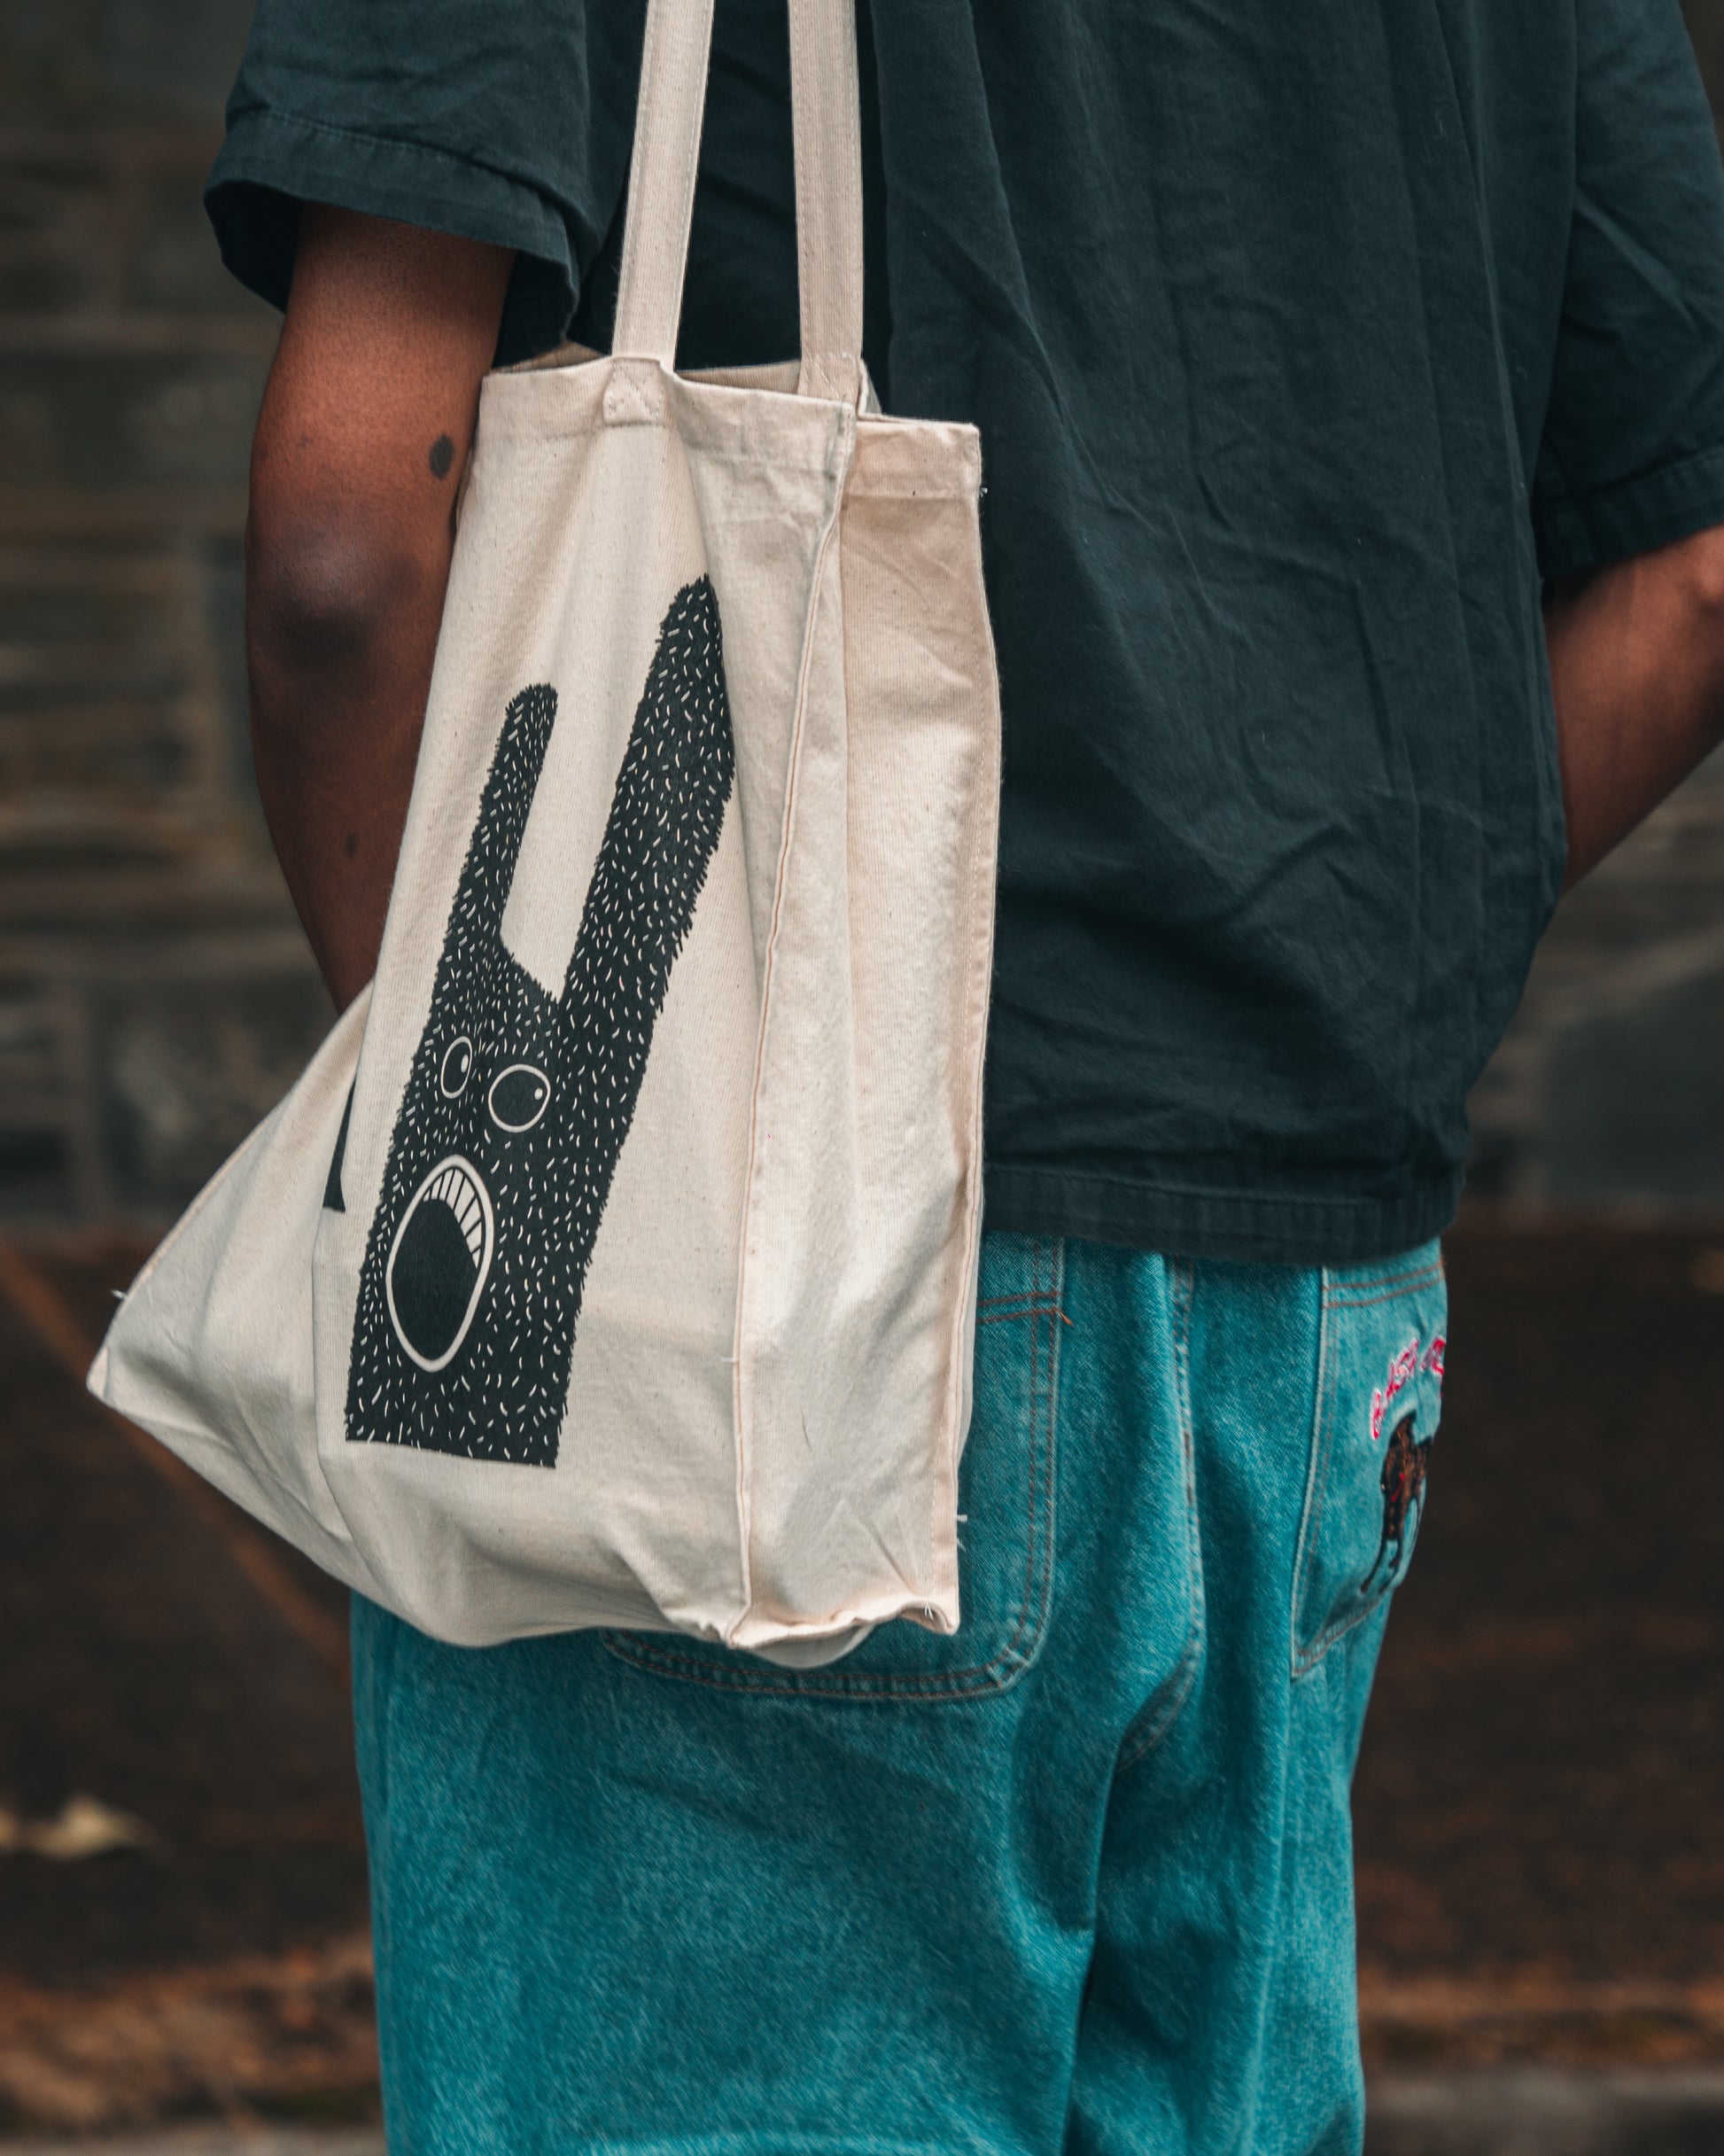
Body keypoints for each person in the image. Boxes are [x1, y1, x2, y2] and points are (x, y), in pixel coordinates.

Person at [208, 1, 1724, 2147]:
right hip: (1314, 1335)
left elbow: (350, 553)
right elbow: (1693, 566)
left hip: (751, 1279)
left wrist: (510, 1133)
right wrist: (1323, 980)